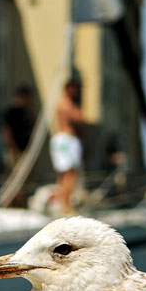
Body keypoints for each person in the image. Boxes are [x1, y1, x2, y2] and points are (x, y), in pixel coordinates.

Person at [49, 78, 84, 215]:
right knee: (70, 174)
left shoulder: (60, 103)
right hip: (67, 139)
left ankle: (63, 203)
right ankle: (66, 204)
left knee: (63, 175)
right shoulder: (66, 103)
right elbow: (78, 118)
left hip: (60, 139)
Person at [2, 84, 35, 207]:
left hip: (25, 150)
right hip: (16, 151)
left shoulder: (26, 111)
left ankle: (20, 203)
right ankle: (11, 204)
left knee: (24, 179)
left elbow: (33, 124)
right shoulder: (12, 111)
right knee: (15, 178)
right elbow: (8, 131)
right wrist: (13, 148)